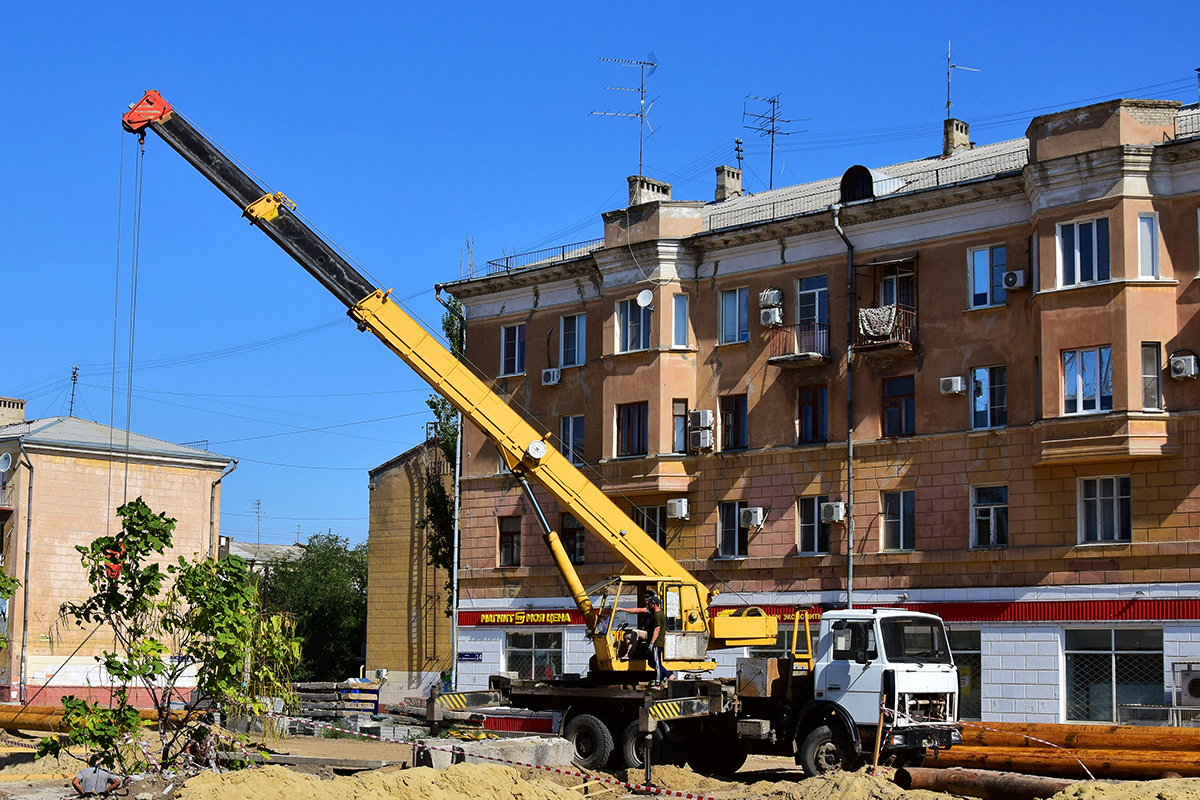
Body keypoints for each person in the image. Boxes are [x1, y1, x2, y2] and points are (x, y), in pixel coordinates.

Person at [616, 594, 673, 688]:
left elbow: (656, 629)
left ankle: (629, 654)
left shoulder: (655, 614)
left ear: (653, 604)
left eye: (648, 601)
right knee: (628, 636)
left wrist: (651, 643)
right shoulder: (651, 613)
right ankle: (669, 675)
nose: (647, 603)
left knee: (657, 663)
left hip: (652, 638)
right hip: (650, 636)